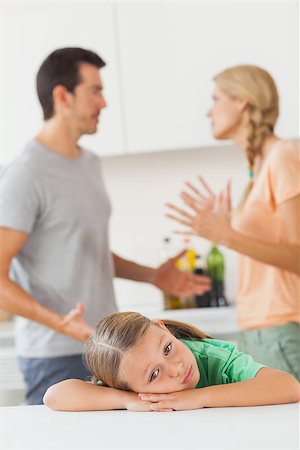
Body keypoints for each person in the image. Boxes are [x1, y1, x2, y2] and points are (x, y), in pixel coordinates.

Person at [0, 47, 210, 405]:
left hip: (113, 352)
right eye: (95, 91)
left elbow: (87, 250)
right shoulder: (26, 173)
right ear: (62, 95)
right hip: (56, 355)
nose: (105, 103)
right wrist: (60, 324)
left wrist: (152, 276)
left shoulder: (89, 164)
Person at [165, 65, 300, 380]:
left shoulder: (283, 156)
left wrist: (228, 236)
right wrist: (226, 230)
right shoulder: (260, 165)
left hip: (282, 328)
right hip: (261, 330)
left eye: (215, 99)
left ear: (242, 102)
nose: (208, 112)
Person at [43, 311, 299, 411]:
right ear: (133, 388)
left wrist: (197, 398)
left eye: (167, 348)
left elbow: (288, 386)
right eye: (154, 375)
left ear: (164, 328)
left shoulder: (213, 359)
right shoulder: (128, 385)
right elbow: (54, 396)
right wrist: (125, 400)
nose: (177, 368)